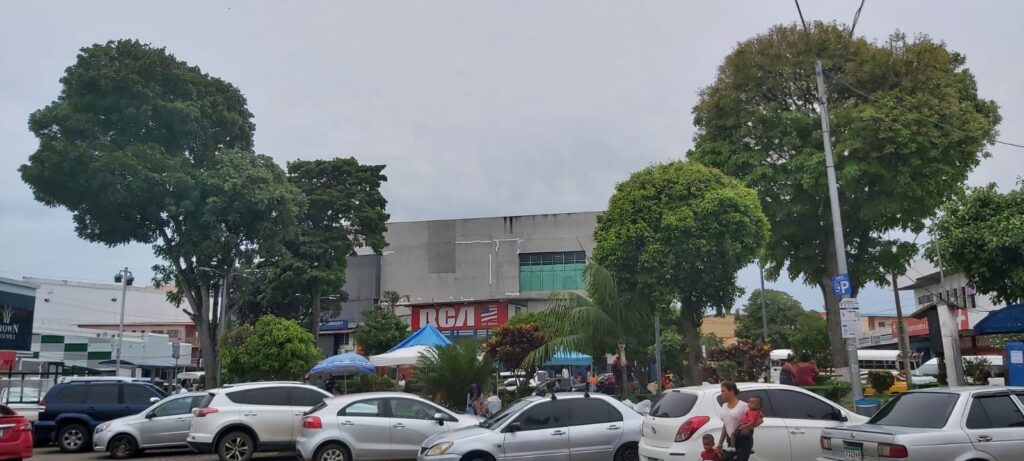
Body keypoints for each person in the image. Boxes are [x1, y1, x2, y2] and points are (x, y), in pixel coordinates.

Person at [716, 381, 753, 461]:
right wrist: (720, 443)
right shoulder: (724, 406)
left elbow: (753, 422)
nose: (721, 394)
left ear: (731, 391)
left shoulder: (744, 406)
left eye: (723, 391)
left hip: (742, 441)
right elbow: (726, 425)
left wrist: (746, 430)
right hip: (730, 441)